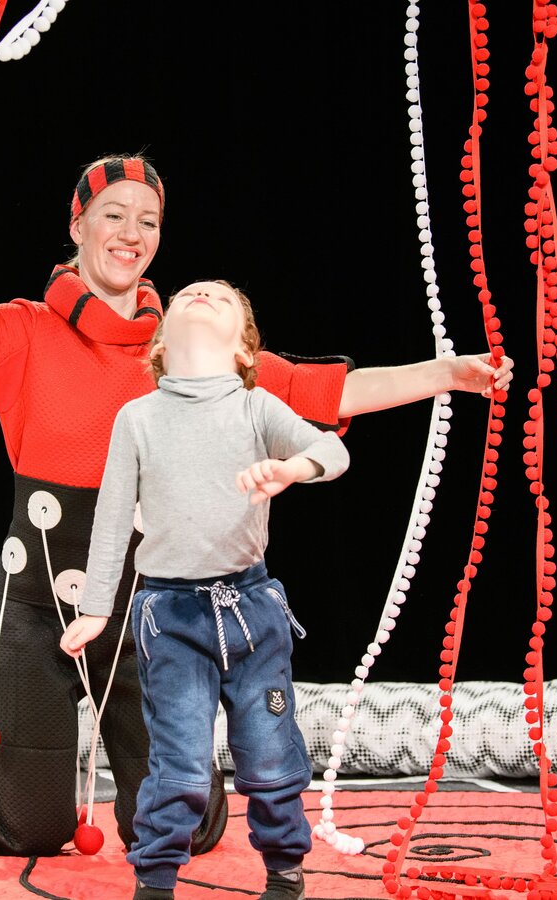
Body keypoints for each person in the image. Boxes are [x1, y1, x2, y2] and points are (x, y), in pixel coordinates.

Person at [0, 154, 514, 859]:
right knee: (32, 823)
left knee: (188, 828)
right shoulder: (22, 332)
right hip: (38, 605)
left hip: (150, 612)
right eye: (114, 215)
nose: (131, 234)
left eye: (148, 221)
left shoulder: (187, 349)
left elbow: (320, 391)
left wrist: (446, 375)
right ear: (78, 226)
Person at [59, 279, 347, 900]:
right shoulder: (138, 418)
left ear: (244, 350)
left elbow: (332, 450)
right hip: (169, 614)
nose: (203, 294)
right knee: (181, 761)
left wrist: (293, 467)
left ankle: (285, 871)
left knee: (268, 752)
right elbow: (112, 517)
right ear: (160, 342)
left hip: (251, 609)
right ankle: (156, 880)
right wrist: (96, 608)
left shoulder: (256, 407)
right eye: (191, 292)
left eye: (222, 297)